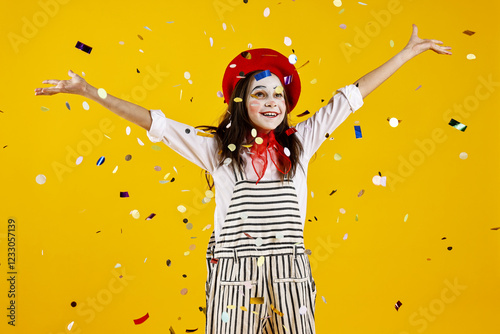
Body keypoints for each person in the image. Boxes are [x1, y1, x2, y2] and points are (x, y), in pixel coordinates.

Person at [35, 24, 451, 334]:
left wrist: (405, 54)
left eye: (277, 96)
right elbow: (152, 122)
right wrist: (90, 92)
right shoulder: (215, 149)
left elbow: (351, 97)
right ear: (241, 102)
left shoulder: (303, 140)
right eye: (259, 94)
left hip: (288, 268)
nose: (271, 102)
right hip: (233, 270)